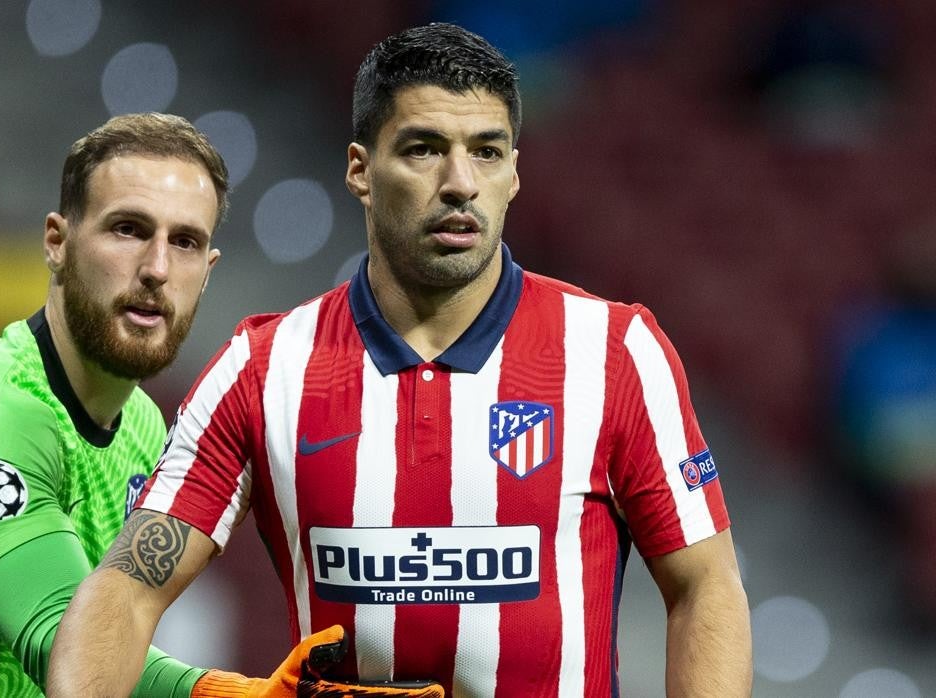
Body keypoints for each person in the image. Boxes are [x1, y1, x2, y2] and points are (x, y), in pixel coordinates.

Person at [48, 23, 751, 697]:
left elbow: (705, 586)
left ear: (514, 174)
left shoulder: (613, 353)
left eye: (487, 151)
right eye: (423, 148)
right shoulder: (264, 370)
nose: (459, 183)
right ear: (360, 169)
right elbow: (127, 589)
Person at [0, 113, 406, 698]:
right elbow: (63, 643)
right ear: (57, 242)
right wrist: (243, 694)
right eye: (128, 229)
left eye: (185, 243)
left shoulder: (147, 429)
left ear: (208, 270)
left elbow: (112, 644)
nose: (156, 268)